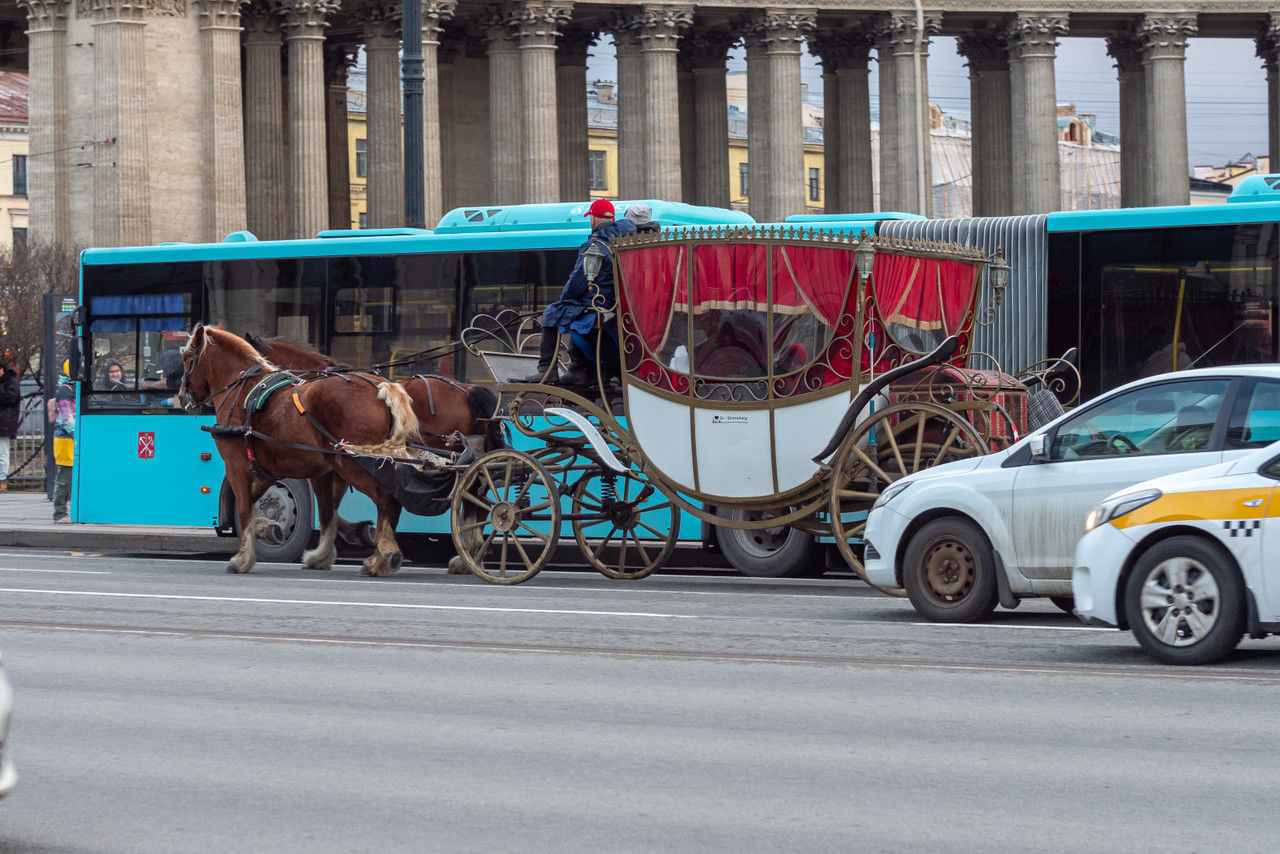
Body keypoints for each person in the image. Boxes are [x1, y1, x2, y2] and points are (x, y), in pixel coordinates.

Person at [517, 198, 637, 385]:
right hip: (613, 303)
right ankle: (579, 368)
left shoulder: (594, 245)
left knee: (552, 313)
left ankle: (547, 369)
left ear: (593, 220)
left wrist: (564, 298)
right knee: (570, 314)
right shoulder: (622, 241)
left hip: (595, 303)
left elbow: (577, 282)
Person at [47, 363, 75, 522]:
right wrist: (78, 434)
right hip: (65, 439)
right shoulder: (66, 389)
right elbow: (66, 418)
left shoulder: (74, 388)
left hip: (70, 438)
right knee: (64, 477)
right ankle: (59, 513)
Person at [0, 348, 19, 494]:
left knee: (2, 454)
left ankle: (2, 482)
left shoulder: (10, 381)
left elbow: (11, 398)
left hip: (3, 424)